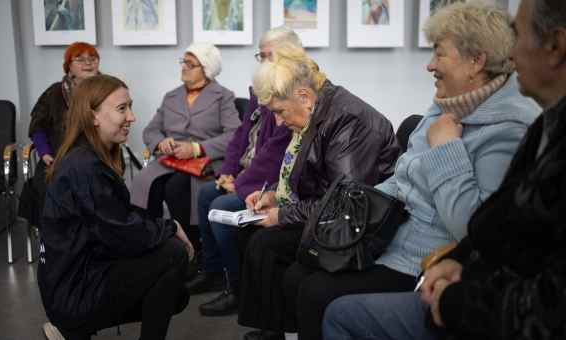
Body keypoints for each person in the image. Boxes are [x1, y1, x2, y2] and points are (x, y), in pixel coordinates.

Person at [281, 2, 541, 340]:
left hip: (427, 258)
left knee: (317, 291)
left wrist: (447, 149)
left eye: (439, 54)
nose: (430, 65)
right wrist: (349, 213)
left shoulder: (509, 128)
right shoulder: (444, 106)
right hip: (390, 240)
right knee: (300, 270)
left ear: (475, 61)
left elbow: (473, 226)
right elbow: (401, 180)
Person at [238, 48, 401, 340]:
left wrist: (283, 215)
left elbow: (344, 202)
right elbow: (314, 180)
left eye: (279, 111)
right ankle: (275, 329)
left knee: (269, 246)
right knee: (262, 242)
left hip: (360, 227)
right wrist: (276, 195)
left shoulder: (350, 121)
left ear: (303, 96)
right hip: (335, 215)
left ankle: (278, 329)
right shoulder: (318, 111)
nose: (277, 121)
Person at [38, 74, 194, 340]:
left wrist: (161, 229)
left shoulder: (86, 155)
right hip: (73, 295)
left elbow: (117, 222)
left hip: (73, 280)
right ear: (93, 116)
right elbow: (122, 234)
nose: (132, 117)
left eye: (130, 107)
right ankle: (71, 329)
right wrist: (171, 226)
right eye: (122, 109)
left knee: (176, 290)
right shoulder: (85, 167)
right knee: (173, 254)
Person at [189, 27, 298, 317]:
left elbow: (277, 152)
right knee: (205, 195)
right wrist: (226, 172)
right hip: (245, 175)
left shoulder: (294, 92)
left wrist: (238, 185)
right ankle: (213, 271)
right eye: (259, 55)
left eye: (267, 55)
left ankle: (238, 289)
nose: (261, 61)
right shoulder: (261, 87)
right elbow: (241, 135)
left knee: (221, 205)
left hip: (271, 182)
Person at [130, 42, 240, 251]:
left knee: (176, 187)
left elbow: (235, 135)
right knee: (146, 182)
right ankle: (151, 241)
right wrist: (161, 142)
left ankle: (192, 248)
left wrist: (197, 148)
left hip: (204, 163)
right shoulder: (171, 97)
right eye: (184, 62)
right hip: (170, 160)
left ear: (206, 69)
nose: (184, 67)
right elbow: (150, 131)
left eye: (191, 64)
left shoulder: (223, 96)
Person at [19, 41, 100, 237]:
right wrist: (44, 151)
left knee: (94, 187)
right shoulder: (54, 92)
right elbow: (38, 125)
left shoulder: (108, 89)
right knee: (49, 186)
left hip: (97, 157)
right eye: (79, 59)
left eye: (92, 58)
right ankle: (56, 240)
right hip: (57, 158)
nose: (87, 63)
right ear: (68, 66)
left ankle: (93, 239)